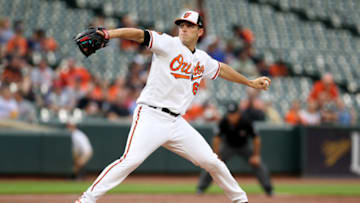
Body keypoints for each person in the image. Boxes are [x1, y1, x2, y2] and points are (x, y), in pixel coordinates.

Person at [74, 10, 271, 203]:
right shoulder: (168, 43)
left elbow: (222, 70)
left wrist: (250, 82)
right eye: (182, 25)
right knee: (130, 160)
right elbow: (139, 34)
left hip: (176, 122)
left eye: (189, 26)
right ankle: (86, 200)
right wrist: (109, 33)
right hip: (151, 115)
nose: (184, 29)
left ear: (200, 31)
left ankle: (240, 200)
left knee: (212, 161)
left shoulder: (202, 59)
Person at [197, 102, 273, 196]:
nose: (231, 116)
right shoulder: (224, 121)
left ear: (238, 113)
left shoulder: (246, 121)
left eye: (233, 114)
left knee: (258, 164)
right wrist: (217, 155)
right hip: (228, 146)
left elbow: (256, 138)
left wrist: (256, 155)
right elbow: (216, 139)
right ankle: (201, 188)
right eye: (230, 114)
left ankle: (268, 189)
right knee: (213, 162)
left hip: (244, 146)